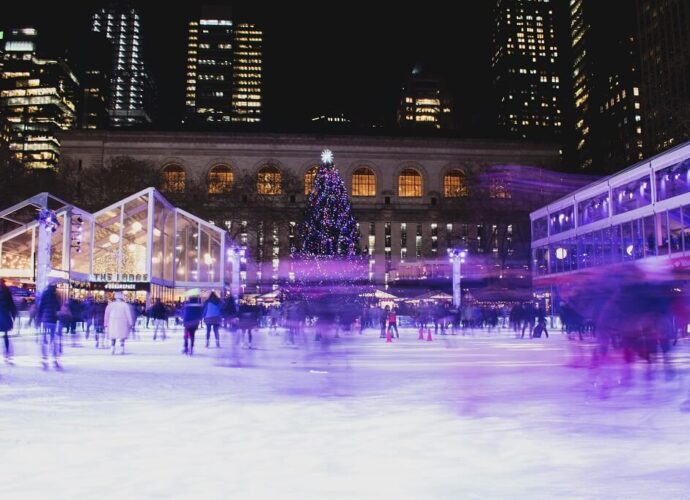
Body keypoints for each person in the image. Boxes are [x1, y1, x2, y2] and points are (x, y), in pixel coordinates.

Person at [37, 284, 61, 369]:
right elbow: (58, 307)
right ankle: (55, 359)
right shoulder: (56, 295)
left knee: (44, 340)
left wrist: (39, 319)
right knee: (53, 340)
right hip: (53, 320)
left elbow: (41, 307)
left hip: (45, 320)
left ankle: (44, 359)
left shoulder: (44, 294)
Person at [0, 280, 18, 362]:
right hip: (5, 315)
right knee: (6, 335)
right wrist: (14, 316)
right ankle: (7, 352)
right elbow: (11, 304)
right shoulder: (7, 291)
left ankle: (7, 353)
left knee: (6, 335)